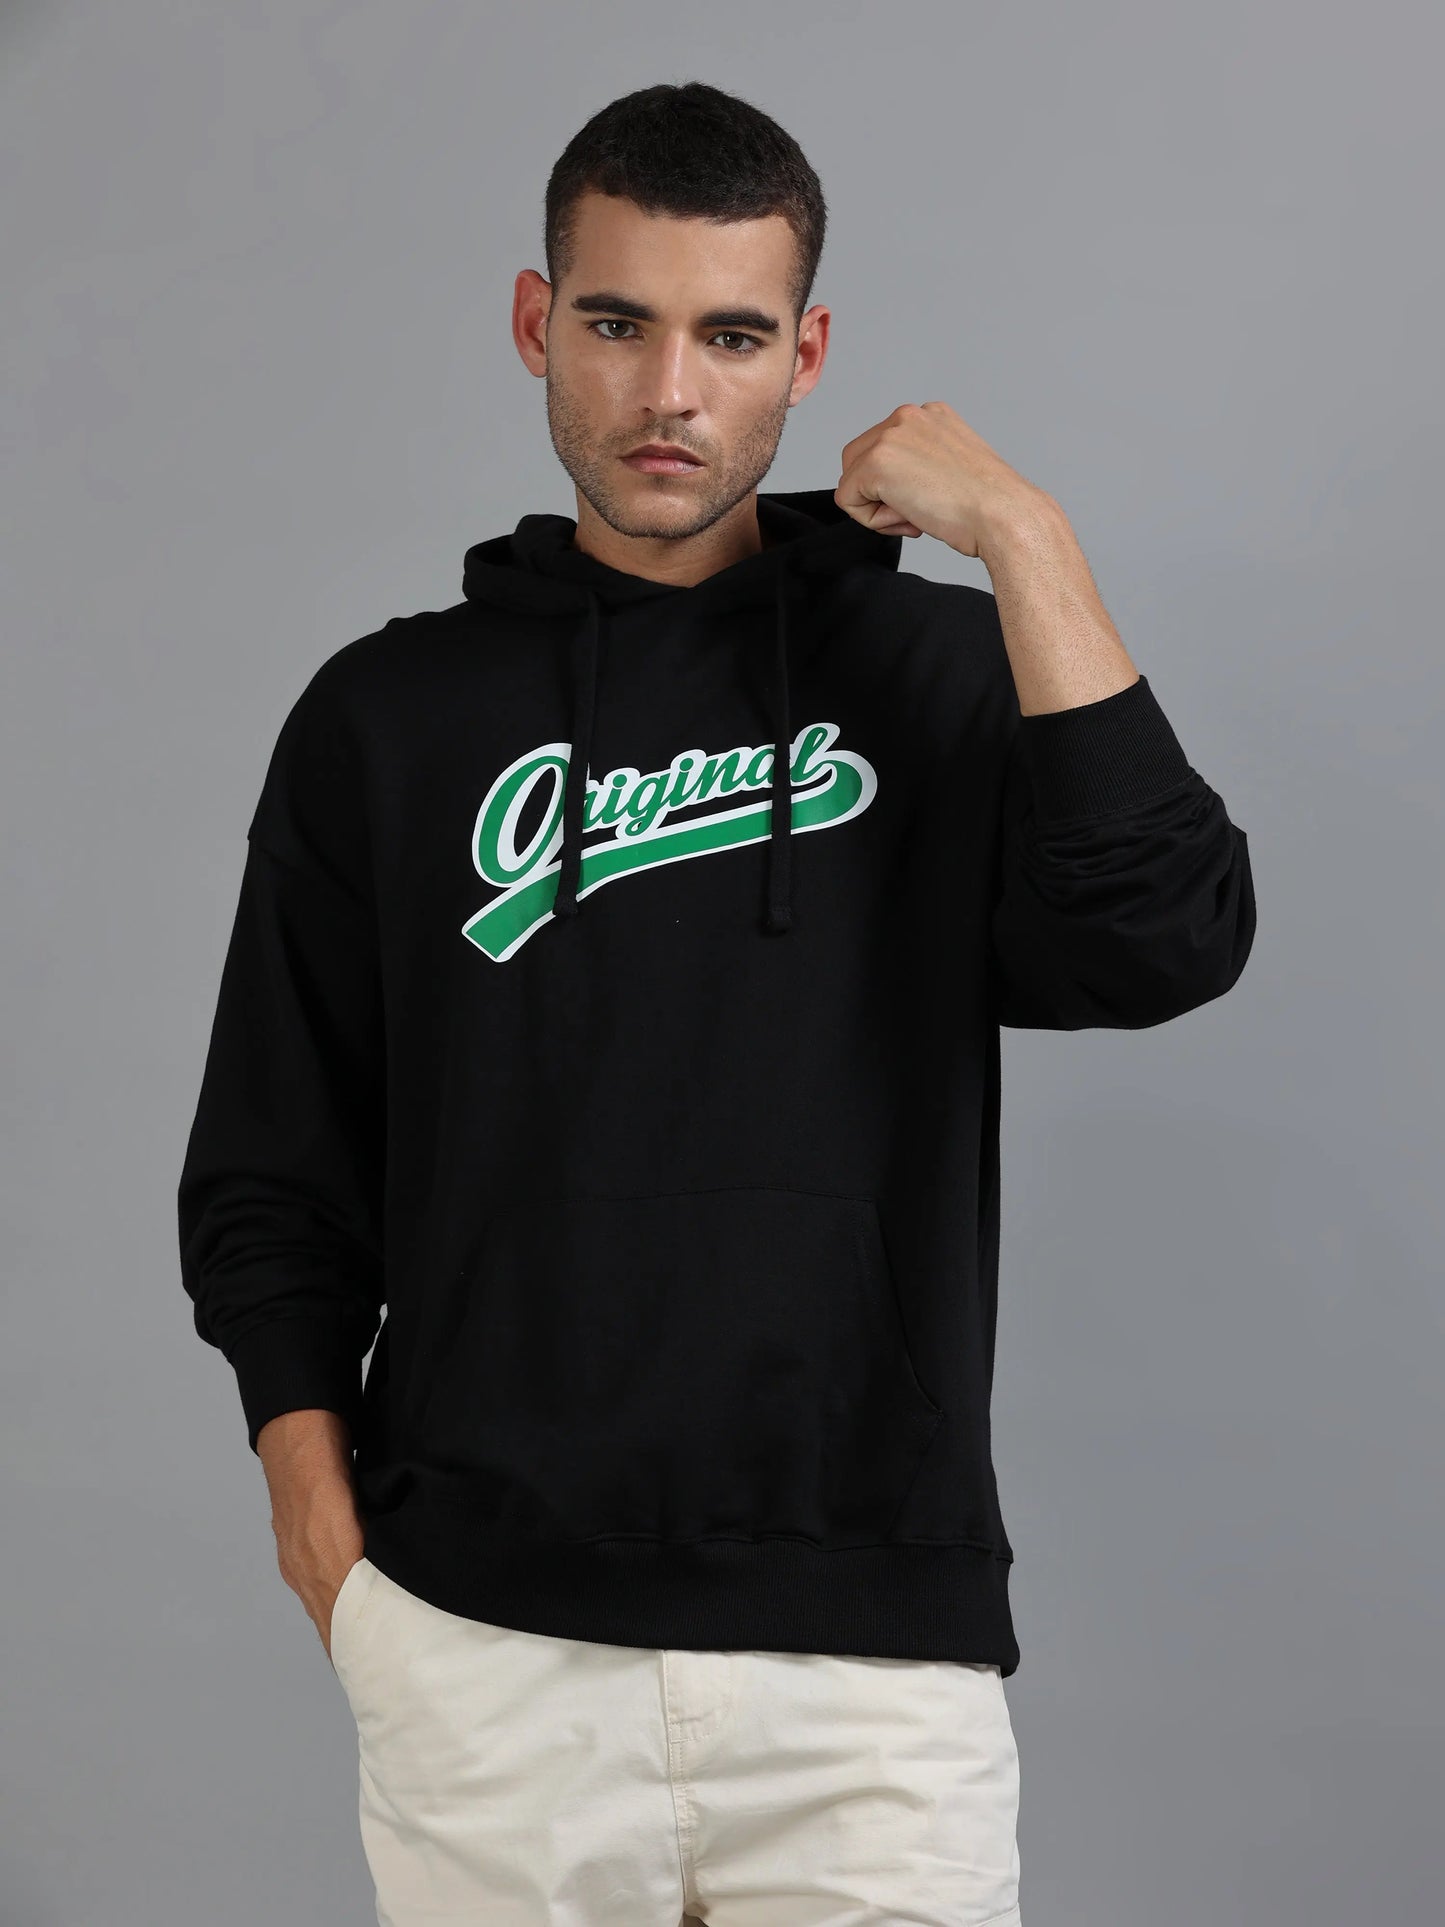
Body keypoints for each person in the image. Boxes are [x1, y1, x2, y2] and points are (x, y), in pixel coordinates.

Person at [176, 78, 1256, 1927]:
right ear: (537, 323)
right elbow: (274, 1159)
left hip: (867, 1664)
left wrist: (1023, 538)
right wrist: (322, 1523)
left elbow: (1167, 937)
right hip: (485, 1653)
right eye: (617, 324)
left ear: (805, 356)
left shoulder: (935, 678)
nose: (668, 391)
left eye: (731, 337)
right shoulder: (389, 717)